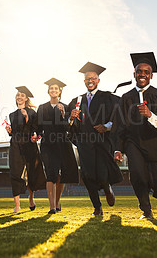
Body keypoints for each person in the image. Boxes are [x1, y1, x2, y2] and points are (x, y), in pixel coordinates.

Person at [112, 52, 157, 219]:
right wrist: (117, 149)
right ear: (134, 74)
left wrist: (150, 115)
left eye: (146, 72)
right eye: (139, 72)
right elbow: (118, 125)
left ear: (151, 76)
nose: (142, 75)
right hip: (133, 142)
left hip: (156, 142)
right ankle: (146, 209)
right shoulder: (126, 98)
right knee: (138, 175)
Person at [68, 62, 123, 216]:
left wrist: (107, 126)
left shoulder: (108, 97)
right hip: (84, 142)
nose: (90, 81)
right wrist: (71, 118)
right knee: (87, 175)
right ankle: (97, 206)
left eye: (93, 78)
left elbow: (119, 115)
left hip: (102, 141)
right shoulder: (77, 100)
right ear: (84, 81)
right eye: (87, 78)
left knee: (102, 172)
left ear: (98, 80)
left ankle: (107, 188)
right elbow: (69, 121)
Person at [36, 78, 79, 214]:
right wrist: (35, 135)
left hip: (62, 142)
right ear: (48, 91)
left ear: (60, 91)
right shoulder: (42, 107)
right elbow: (38, 126)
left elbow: (68, 127)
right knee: (51, 173)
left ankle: (57, 200)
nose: (53, 90)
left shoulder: (66, 107)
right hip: (48, 143)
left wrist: (64, 115)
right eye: (51, 88)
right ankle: (52, 206)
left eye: (56, 88)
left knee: (61, 174)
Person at [5, 86, 46, 213]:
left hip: (29, 144)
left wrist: (27, 119)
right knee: (15, 172)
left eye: (22, 95)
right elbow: (14, 132)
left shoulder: (33, 112)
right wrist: (9, 131)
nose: (19, 97)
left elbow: (36, 129)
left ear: (26, 98)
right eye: (18, 95)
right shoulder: (11, 115)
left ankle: (31, 197)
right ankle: (17, 205)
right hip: (16, 145)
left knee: (31, 172)